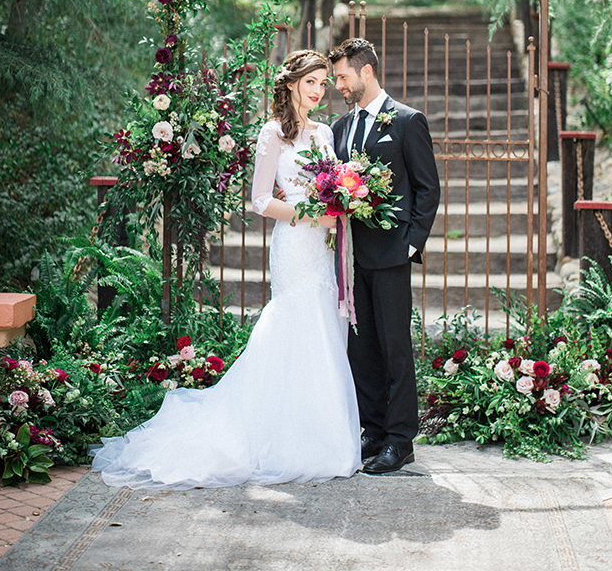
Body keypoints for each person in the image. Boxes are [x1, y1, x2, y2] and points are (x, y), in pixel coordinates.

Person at [91, 50, 361, 489]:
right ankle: (281, 437)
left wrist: (337, 206)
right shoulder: (273, 134)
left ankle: (323, 436)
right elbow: (258, 200)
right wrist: (311, 215)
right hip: (296, 243)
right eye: (309, 82)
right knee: (296, 322)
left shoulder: (326, 132)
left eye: (322, 84)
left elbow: (329, 189)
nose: (317, 91)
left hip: (322, 246)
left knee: (324, 326)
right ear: (291, 84)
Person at [329, 38, 440, 474]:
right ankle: (372, 432)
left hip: (392, 255)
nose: (339, 84)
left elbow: (427, 189)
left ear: (367, 72)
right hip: (350, 256)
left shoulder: (408, 122)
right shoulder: (339, 129)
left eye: (342, 76)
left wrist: (410, 244)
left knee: (395, 349)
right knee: (362, 350)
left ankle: (400, 440)